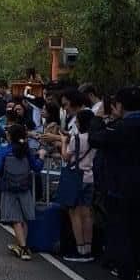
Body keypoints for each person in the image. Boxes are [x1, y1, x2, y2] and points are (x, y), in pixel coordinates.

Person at [88, 87, 140, 280]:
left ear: (119, 105)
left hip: (120, 190)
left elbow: (95, 139)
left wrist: (97, 118)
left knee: (122, 237)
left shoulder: (120, 128)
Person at [0, 123, 43, 259]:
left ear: (9, 136)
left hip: (8, 187)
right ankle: (21, 244)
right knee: (24, 218)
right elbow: (37, 167)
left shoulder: (3, 150)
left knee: (15, 218)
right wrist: (41, 157)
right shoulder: (27, 151)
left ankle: (23, 248)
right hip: (25, 186)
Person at [60, 107, 97, 263]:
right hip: (90, 177)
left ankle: (79, 248)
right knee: (87, 214)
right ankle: (88, 248)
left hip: (76, 177)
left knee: (74, 213)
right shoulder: (95, 138)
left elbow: (66, 157)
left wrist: (63, 142)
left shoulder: (77, 139)